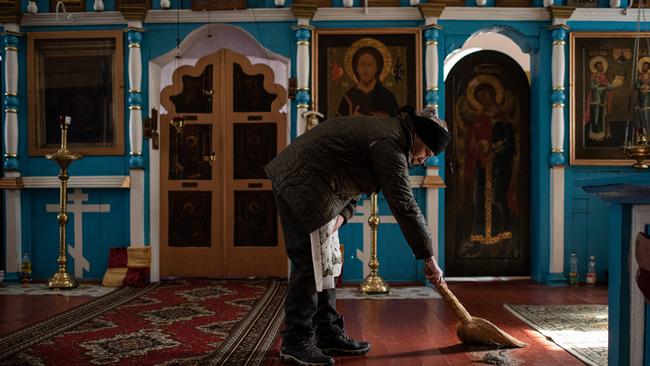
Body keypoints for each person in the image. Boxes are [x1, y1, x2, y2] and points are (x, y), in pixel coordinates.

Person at [265, 106, 451, 366]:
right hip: (301, 182)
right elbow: (405, 206)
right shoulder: (390, 143)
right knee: (309, 263)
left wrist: (343, 214)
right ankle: (296, 341)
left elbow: (353, 172)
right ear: (419, 137)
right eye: (427, 153)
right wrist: (429, 259)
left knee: (327, 264)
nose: (424, 160)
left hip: (321, 190)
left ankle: (326, 332)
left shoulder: (392, 137)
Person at [337, 46, 400, 118]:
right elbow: (338, 126)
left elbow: (396, 124)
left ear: (377, 68)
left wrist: (384, 117)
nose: (365, 68)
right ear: (356, 68)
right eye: (362, 64)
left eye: (369, 65)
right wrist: (353, 120)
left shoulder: (387, 97)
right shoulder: (348, 98)